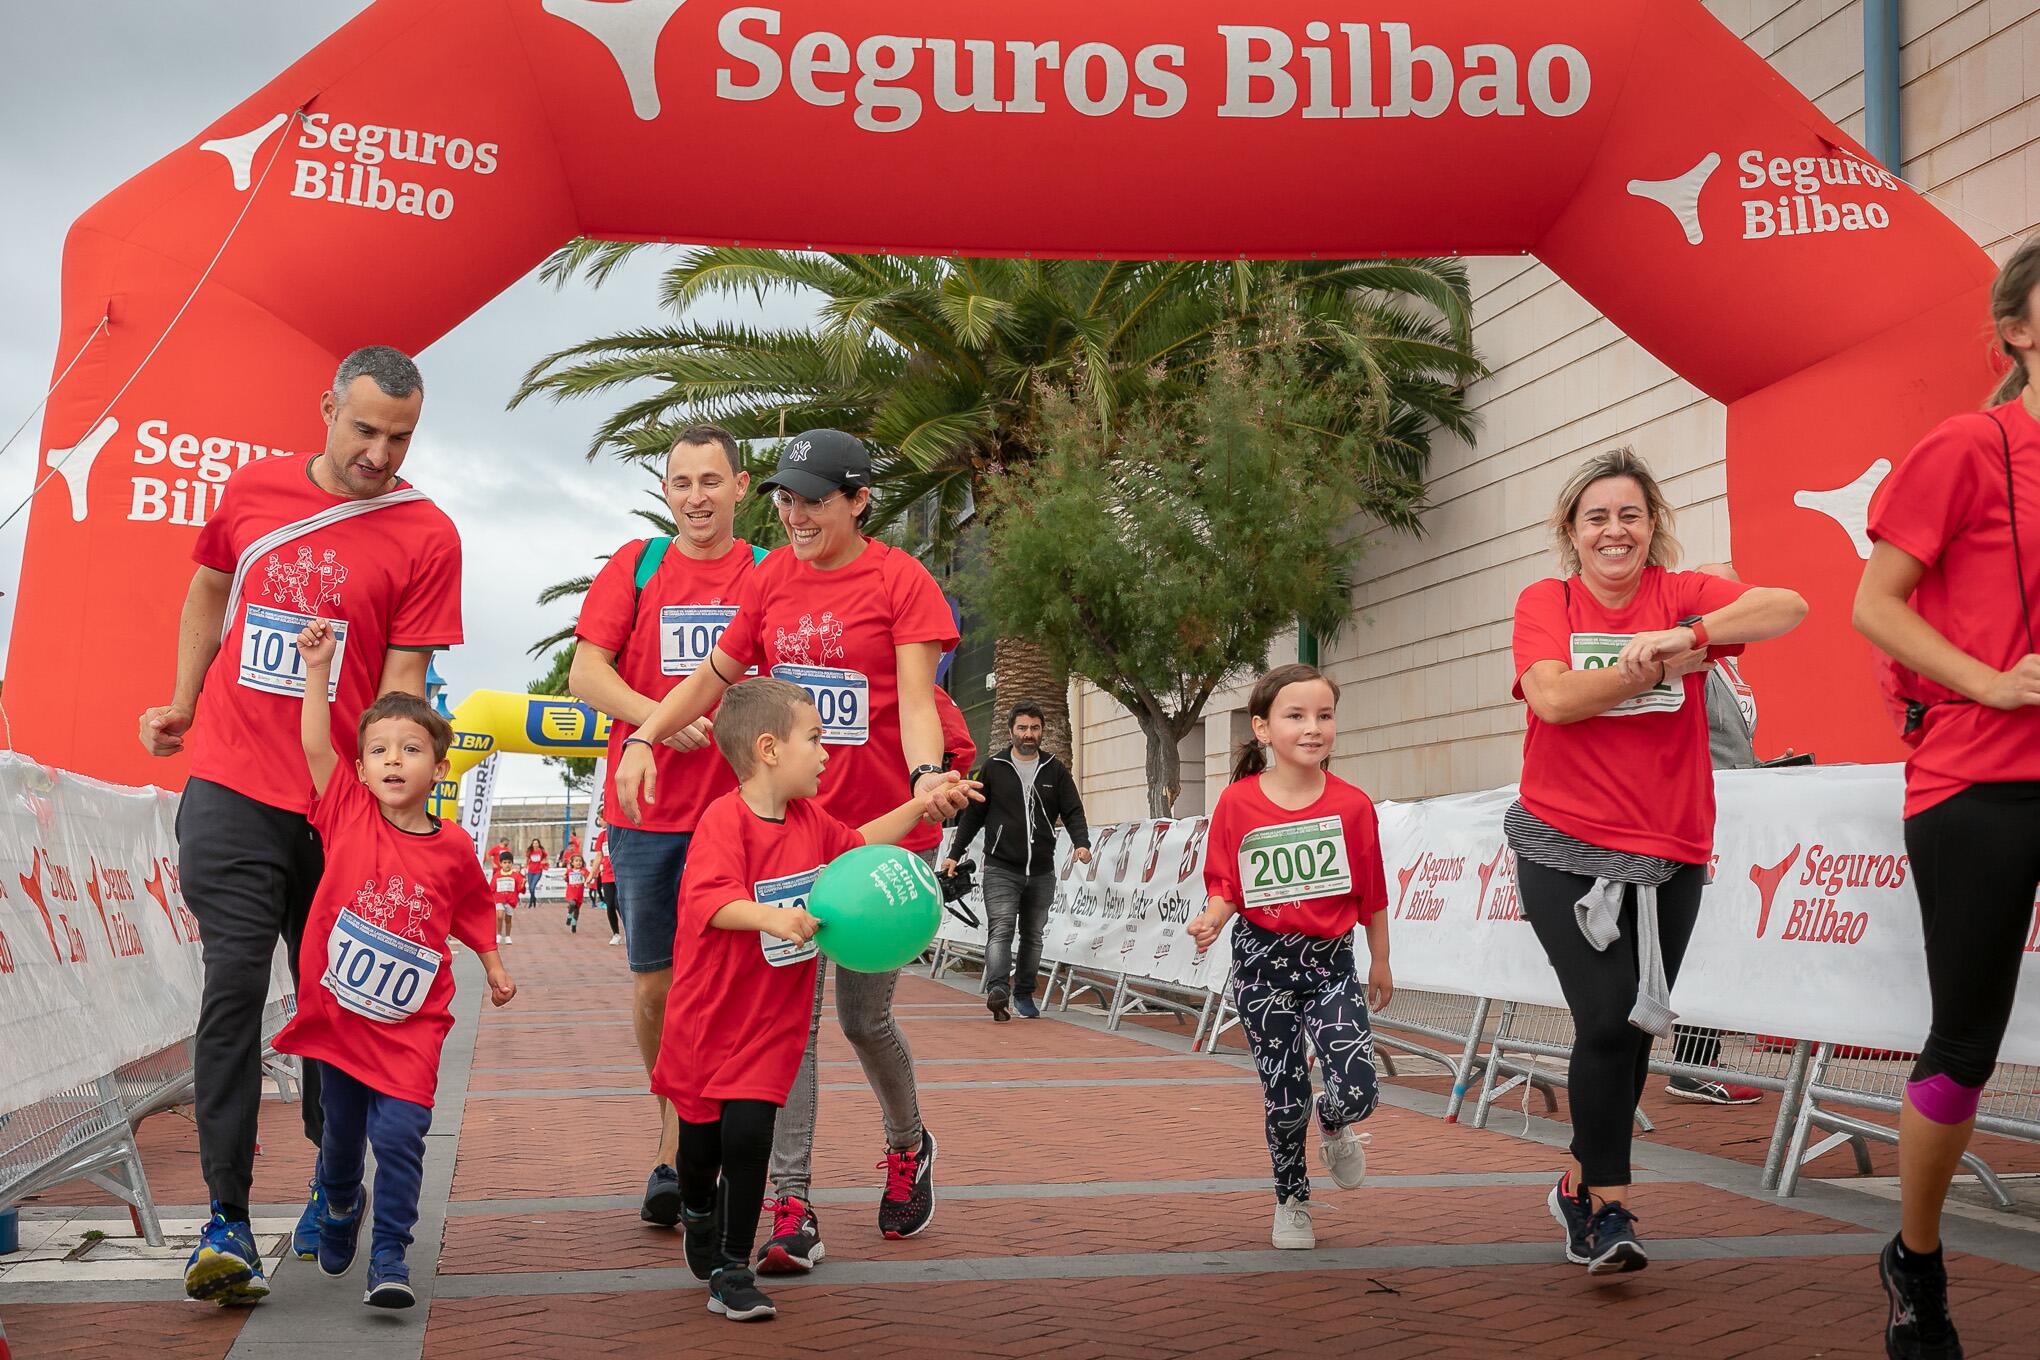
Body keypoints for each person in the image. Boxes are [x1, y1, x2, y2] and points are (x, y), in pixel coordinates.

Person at [613, 428, 980, 1271]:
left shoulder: (900, 580)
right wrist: (645, 735)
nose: (795, 513)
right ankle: (790, 1203)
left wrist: (926, 776)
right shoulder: (771, 576)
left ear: (858, 500)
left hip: (882, 836)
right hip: (791, 840)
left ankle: (906, 1145)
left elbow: (920, 702)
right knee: (789, 1025)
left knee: (862, 1015)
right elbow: (711, 676)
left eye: (815, 498)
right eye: (785, 497)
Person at [140, 347, 462, 1305]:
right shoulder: (250, 493)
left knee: (340, 1004)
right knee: (234, 987)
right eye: (363, 429)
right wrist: (183, 699)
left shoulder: (425, 532)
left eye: (398, 437)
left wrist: (390, 802)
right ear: (326, 407)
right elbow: (208, 588)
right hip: (233, 786)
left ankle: (336, 1176)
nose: (378, 452)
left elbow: (404, 684)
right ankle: (227, 1218)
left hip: (340, 807)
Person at [1509, 448, 1806, 1276]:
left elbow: (1788, 606)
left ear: (1652, 527)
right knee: (1605, 1019)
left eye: (1630, 515)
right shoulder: (1549, 600)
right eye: (1597, 516)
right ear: (1572, 531)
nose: (1615, 530)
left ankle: (1576, 1182)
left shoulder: (1680, 593)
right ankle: (1608, 1208)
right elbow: (1555, 698)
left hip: (1671, 847)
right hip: (1561, 840)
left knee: (1635, 1031)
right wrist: (1646, 666)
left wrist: (1691, 634)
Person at [1853, 236, 2040, 1360]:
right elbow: (1876, 602)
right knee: (1966, 1041)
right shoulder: (1971, 446)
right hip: (1979, 775)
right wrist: (1987, 679)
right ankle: (1915, 1258)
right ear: (2018, 329)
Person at [651, 677, 953, 1322]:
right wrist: (771, 917)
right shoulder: (722, 821)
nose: (826, 752)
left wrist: (923, 804)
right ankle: (700, 1212)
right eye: (814, 739)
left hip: (771, 1025)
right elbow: (710, 901)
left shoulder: (811, 822)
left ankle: (733, 1268)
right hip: (708, 1024)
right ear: (768, 748)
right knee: (701, 1154)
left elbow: (862, 846)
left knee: (751, 1136)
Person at [269, 620, 513, 1308]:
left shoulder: (454, 847)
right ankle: (343, 1203)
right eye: (379, 750)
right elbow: (315, 741)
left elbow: (470, 906)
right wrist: (318, 670)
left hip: (412, 1025)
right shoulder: (345, 811)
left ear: (439, 769)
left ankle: (390, 1257)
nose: (394, 760)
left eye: (410, 750)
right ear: (360, 769)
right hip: (344, 1022)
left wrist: (492, 965)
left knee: (402, 1135)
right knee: (342, 1138)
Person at [570, 425, 756, 1227]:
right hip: (647, 816)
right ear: (666, 490)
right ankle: (672, 1134)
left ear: (741, 487)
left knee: (732, 988)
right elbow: (585, 673)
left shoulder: (764, 573)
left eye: (711, 480)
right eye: (682, 482)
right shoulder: (637, 566)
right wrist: (656, 721)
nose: (697, 496)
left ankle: (715, 1150)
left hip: (742, 815)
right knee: (655, 985)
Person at [1185, 664, 1390, 1250]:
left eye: (1324, 716)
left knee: (1358, 1087)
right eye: (1295, 716)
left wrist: (1379, 958)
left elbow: (1371, 890)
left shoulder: (1353, 806)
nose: (1312, 728)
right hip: (1262, 963)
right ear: (1262, 728)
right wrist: (1211, 920)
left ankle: (1335, 1123)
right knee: (1284, 1095)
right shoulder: (1237, 803)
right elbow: (1227, 884)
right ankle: (1292, 1198)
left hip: (1329, 962)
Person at [1661, 562, 1767, 1108]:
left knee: (1714, 935)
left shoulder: (1727, 666)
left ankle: (1699, 1057)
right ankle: (1693, 1064)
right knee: (1701, 940)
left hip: (1729, 819)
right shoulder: (1690, 661)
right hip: (1699, 824)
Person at [943, 701, 1093, 1021]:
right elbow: (973, 816)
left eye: (1035, 728)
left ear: (1042, 731)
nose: (1029, 734)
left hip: (1040, 870)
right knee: (1001, 929)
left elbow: (1073, 811)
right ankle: (999, 990)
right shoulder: (995, 767)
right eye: (1022, 728)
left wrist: (1082, 843)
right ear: (1011, 730)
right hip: (1001, 867)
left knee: (1033, 935)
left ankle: (1024, 993)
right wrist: (954, 855)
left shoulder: (1054, 769)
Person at [593, 830, 622, 944]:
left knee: (619, 903)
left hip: (620, 873)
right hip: (607, 875)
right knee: (610, 904)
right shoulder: (601, 835)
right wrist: (592, 873)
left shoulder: (620, 831)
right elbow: (599, 856)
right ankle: (616, 934)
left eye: (601, 818)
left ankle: (630, 931)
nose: (600, 821)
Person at [491, 852, 520, 946]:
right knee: (499, 916)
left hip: (510, 901)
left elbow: (520, 888)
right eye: (504, 862)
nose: (507, 864)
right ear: (500, 863)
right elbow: (492, 887)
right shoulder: (497, 875)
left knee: (508, 919)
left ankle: (508, 936)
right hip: (499, 900)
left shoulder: (516, 875)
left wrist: (523, 884)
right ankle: (498, 934)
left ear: (512, 863)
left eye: (509, 862)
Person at [564, 852, 589, 933]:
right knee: (572, 904)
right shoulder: (569, 871)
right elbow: (566, 879)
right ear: (572, 862)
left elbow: (588, 878)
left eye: (580, 861)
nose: (578, 862)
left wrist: (585, 876)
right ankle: (569, 915)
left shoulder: (584, 870)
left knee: (577, 910)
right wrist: (564, 877)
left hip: (579, 893)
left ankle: (574, 924)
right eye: (576, 861)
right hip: (571, 892)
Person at [523, 839, 549, 909]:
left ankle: (531, 902)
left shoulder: (541, 851)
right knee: (531, 887)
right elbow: (527, 859)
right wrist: (525, 865)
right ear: (532, 844)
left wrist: (544, 862)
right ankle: (534, 899)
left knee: (532, 887)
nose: (535, 844)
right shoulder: (530, 851)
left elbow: (546, 857)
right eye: (534, 843)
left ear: (538, 844)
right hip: (530, 871)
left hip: (538, 871)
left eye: (536, 843)